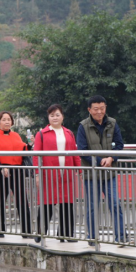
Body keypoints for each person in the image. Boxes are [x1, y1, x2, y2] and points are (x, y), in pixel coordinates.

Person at [76, 95, 129, 246]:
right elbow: (82, 151)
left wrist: (111, 158)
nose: (99, 112)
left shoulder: (112, 123)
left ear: (105, 108)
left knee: (115, 204)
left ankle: (121, 236)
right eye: (96, 109)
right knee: (92, 207)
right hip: (91, 174)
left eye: (102, 108)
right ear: (89, 110)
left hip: (109, 173)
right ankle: (92, 237)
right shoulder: (83, 126)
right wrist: (100, 161)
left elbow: (119, 145)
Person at [33, 104, 81, 243]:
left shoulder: (69, 133)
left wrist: (79, 170)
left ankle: (66, 234)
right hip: (49, 175)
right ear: (48, 117)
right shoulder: (42, 134)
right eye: (52, 115)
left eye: (57, 115)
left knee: (67, 204)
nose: (55, 118)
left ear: (62, 116)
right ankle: (40, 232)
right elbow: (36, 155)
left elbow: (74, 153)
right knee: (46, 204)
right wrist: (37, 174)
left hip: (66, 173)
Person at [0, 111, 32, 238]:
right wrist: (1, 167)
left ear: (12, 122)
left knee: (22, 199)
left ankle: (27, 231)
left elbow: (23, 149)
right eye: (4, 119)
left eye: (9, 119)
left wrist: (30, 145)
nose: (7, 122)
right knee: (1, 199)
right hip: (2, 170)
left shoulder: (16, 135)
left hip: (17, 169)